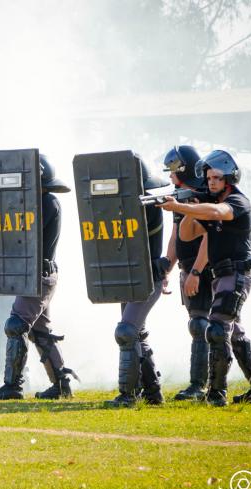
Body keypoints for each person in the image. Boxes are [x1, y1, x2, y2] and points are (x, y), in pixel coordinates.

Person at [159, 149, 251, 406]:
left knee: (217, 328)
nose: (211, 182)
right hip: (222, 274)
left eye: (217, 178)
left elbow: (217, 213)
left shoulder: (238, 202)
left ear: (229, 179)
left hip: (237, 272)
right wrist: (186, 209)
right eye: (209, 177)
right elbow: (186, 236)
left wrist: (179, 205)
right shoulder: (206, 202)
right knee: (235, 334)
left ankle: (216, 393)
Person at [0, 154, 78, 400]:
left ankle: (13, 386)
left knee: (16, 325)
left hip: (39, 275)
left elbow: (27, 234)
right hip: (32, 274)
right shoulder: (34, 203)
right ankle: (61, 385)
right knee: (40, 331)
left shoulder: (47, 203)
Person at [106, 158, 173, 407]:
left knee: (127, 331)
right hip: (130, 277)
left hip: (148, 278)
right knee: (136, 335)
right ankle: (153, 394)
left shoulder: (149, 206)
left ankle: (128, 395)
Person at [161, 146, 213, 401]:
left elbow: (209, 238)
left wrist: (196, 271)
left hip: (203, 269)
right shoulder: (180, 196)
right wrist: (166, 269)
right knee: (208, 326)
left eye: (172, 172)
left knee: (202, 325)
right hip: (189, 269)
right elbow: (174, 238)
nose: (170, 177)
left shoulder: (205, 195)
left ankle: (200, 386)